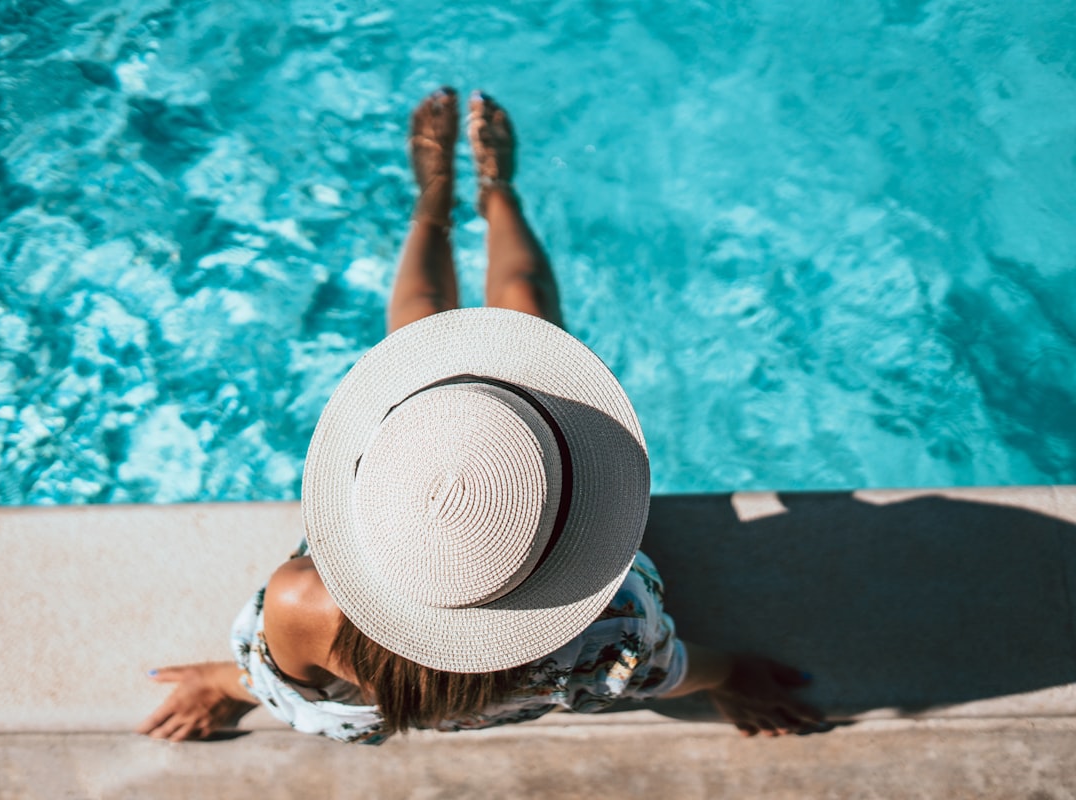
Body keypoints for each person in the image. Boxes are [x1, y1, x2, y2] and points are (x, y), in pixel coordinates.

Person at [137, 88, 824, 744]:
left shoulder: (302, 602)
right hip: (531, 621)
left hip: (416, 579)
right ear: (576, 526)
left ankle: (432, 202)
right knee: (522, 302)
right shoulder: (610, 621)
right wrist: (731, 674)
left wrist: (224, 683)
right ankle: (499, 193)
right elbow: (664, 671)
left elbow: (295, 692)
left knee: (418, 326)